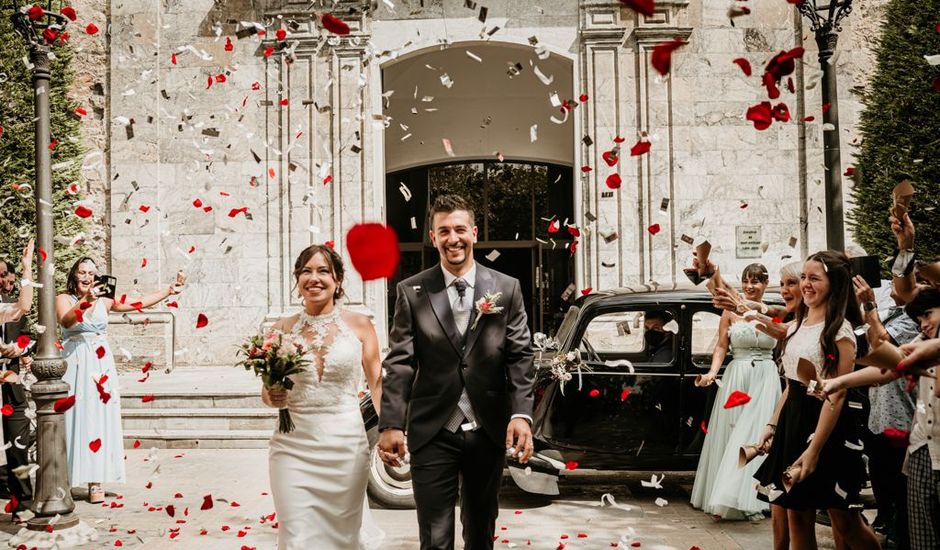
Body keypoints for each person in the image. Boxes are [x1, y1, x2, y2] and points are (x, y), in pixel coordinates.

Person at [378, 194, 535, 550]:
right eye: (444, 231)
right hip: (433, 431)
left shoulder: (506, 288)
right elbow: (400, 361)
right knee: (435, 538)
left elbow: (520, 356)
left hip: (487, 429)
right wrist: (390, 424)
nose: (453, 238)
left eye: (460, 229)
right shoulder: (412, 291)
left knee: (481, 533)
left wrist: (521, 414)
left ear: (474, 233)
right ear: (433, 237)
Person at [753, 251, 880, 549]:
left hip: (827, 430)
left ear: (833, 284)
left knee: (846, 523)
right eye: (803, 278)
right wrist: (773, 425)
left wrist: (814, 450)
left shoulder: (840, 331)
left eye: (813, 278)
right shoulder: (797, 324)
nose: (805, 285)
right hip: (793, 425)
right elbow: (792, 385)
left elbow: (837, 393)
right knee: (796, 516)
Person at [264, 244, 384, 549]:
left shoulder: (360, 325)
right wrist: (272, 395)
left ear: (338, 279)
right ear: (296, 278)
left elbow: (377, 384)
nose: (313, 278)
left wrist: (390, 430)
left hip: (345, 446)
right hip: (292, 446)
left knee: (342, 536)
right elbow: (267, 391)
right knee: (296, 535)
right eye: (306, 271)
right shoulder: (280, 329)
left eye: (323, 271)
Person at [55, 257, 184, 503]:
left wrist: (169, 290)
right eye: (82, 272)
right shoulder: (64, 298)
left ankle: (96, 481)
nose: (87, 277)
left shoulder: (106, 300)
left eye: (91, 273)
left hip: (100, 363)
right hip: (76, 360)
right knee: (73, 416)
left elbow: (138, 303)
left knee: (98, 418)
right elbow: (67, 320)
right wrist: (88, 299)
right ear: (74, 276)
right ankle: (66, 478)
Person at [819, 287, 940, 549]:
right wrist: (838, 381)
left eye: (928, 315)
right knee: (921, 538)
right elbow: (886, 370)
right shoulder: (921, 340)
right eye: (920, 319)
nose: (925, 324)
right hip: (921, 450)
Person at [691, 263, 780, 521]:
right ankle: (729, 495)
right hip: (737, 374)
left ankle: (753, 496)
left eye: (756, 282)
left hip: (765, 375)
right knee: (733, 434)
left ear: (765, 284)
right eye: (746, 281)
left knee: (757, 435)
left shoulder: (773, 311)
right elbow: (721, 346)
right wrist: (711, 373)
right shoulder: (730, 312)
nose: (750, 287)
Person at [855, 275, 919, 548]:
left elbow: (880, 342)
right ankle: (887, 520)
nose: (894, 283)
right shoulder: (892, 312)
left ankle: (897, 532)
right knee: (882, 478)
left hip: (903, 417)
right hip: (879, 413)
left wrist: (869, 305)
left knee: (900, 488)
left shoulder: (914, 320)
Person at [0, 253, 35, 507]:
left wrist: (26, 269)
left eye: (4, 274)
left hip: (11, 385)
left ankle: (22, 503)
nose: (3, 280)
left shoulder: (4, 305)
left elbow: (23, 308)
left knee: (18, 447)